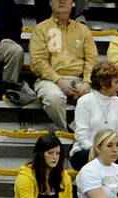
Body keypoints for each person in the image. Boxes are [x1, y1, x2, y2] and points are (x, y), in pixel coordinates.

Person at [29, 0, 99, 132]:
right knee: (53, 99)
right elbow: (38, 61)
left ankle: (75, 129)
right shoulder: (41, 29)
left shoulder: (83, 30)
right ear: (50, 2)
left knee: (98, 98)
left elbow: (92, 59)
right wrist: (59, 80)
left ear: (72, 2)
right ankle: (65, 131)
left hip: (79, 79)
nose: (61, 1)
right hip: (50, 80)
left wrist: (87, 82)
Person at [71, 62, 118, 170]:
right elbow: (81, 136)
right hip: (87, 151)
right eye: (116, 82)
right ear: (104, 84)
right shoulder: (85, 101)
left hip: (113, 152)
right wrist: (99, 152)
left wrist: (116, 150)